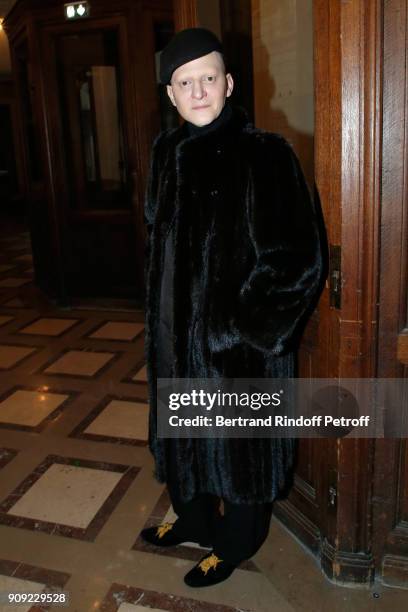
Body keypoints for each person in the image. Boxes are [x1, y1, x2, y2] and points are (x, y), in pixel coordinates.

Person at [142, 27, 324, 588]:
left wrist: (236, 329)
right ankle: (193, 520)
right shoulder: (166, 153)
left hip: (236, 356)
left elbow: (296, 261)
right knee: (183, 442)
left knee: (239, 457)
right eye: (185, 82)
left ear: (229, 83)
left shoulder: (265, 155)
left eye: (209, 78)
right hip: (174, 341)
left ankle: (235, 542)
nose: (198, 92)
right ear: (171, 95)